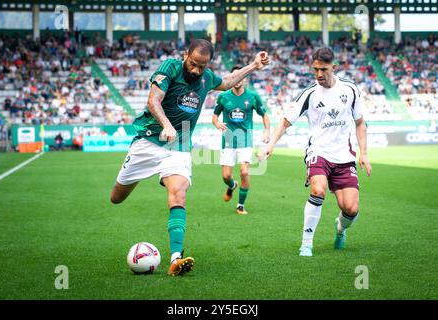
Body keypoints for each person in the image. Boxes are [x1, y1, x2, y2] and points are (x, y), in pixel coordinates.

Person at [110, 39, 270, 276]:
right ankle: (151, 175)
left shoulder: (206, 78)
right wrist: (165, 124)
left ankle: (176, 258)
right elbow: (153, 100)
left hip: (179, 146)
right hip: (148, 141)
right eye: (193, 64)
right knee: (117, 197)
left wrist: (253, 66)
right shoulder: (171, 68)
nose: (196, 70)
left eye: (202, 67)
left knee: (178, 194)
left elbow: (226, 82)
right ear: (186, 55)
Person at [260, 47, 372, 257]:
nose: (319, 74)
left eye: (324, 69)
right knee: (318, 190)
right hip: (318, 151)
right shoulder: (309, 93)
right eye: (315, 69)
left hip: (344, 156)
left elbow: (360, 123)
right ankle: (306, 244)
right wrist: (271, 144)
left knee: (351, 209)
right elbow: (284, 122)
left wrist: (363, 153)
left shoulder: (350, 90)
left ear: (334, 67)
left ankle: (340, 229)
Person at [212, 64, 270, 215]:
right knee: (226, 176)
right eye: (234, 76)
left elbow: (264, 114)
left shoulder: (252, 96)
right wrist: (217, 123)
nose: (237, 79)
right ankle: (232, 186)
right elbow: (215, 115)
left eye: (240, 76)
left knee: (244, 172)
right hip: (228, 140)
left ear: (244, 78)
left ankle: (240, 206)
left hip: (245, 139)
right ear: (231, 79)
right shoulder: (223, 96)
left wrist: (267, 131)